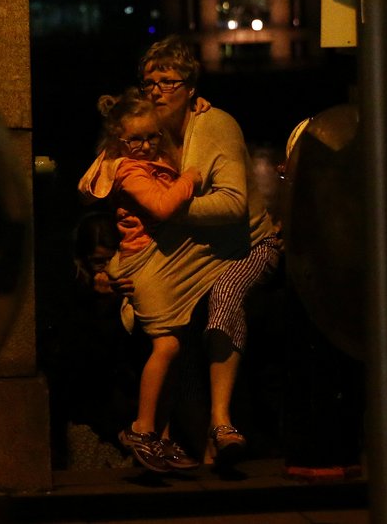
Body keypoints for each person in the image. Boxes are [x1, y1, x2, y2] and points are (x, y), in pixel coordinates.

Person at [80, 35, 282, 466]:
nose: (157, 90)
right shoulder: (146, 135)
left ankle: (220, 422)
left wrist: (170, 208)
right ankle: (161, 434)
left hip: (244, 244)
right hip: (196, 246)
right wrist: (115, 262)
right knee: (145, 308)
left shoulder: (213, 125)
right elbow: (119, 198)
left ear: (191, 88)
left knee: (222, 297)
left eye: (168, 82)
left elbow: (232, 204)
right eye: (149, 82)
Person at [92, 89, 205, 472]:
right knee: (168, 344)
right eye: (134, 139)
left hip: (163, 259)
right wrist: (191, 178)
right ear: (118, 141)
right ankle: (141, 429)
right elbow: (162, 206)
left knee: (174, 346)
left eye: (151, 136)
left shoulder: (153, 158)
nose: (144, 145)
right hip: (145, 260)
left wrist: (195, 109)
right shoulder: (128, 169)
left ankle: (163, 436)